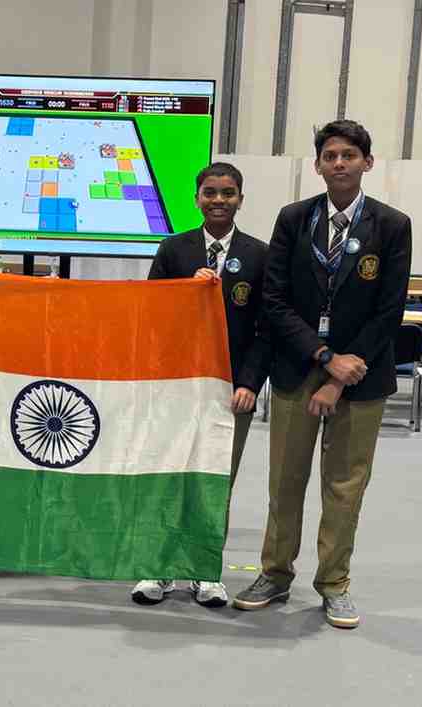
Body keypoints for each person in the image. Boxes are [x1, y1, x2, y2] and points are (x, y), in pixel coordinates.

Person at [233, 120, 412, 628]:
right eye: (330, 156)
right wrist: (323, 357)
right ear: (317, 165)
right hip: (298, 367)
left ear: (367, 163)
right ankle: (274, 573)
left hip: (361, 376)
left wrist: (340, 376)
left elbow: (389, 311)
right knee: (285, 481)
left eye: (349, 155)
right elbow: (274, 300)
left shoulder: (392, 225)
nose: (339, 163)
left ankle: (334, 584)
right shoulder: (294, 219)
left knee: (345, 485)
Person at [132, 161, 271, 608]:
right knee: (169, 474)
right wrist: (184, 295)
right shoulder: (173, 250)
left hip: (232, 391)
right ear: (196, 199)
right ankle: (158, 565)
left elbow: (266, 329)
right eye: (210, 192)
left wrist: (250, 383)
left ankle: (204, 569)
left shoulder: (259, 255)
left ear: (240, 200)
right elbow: (151, 316)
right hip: (177, 385)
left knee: (216, 481)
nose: (218, 200)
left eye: (227, 193)